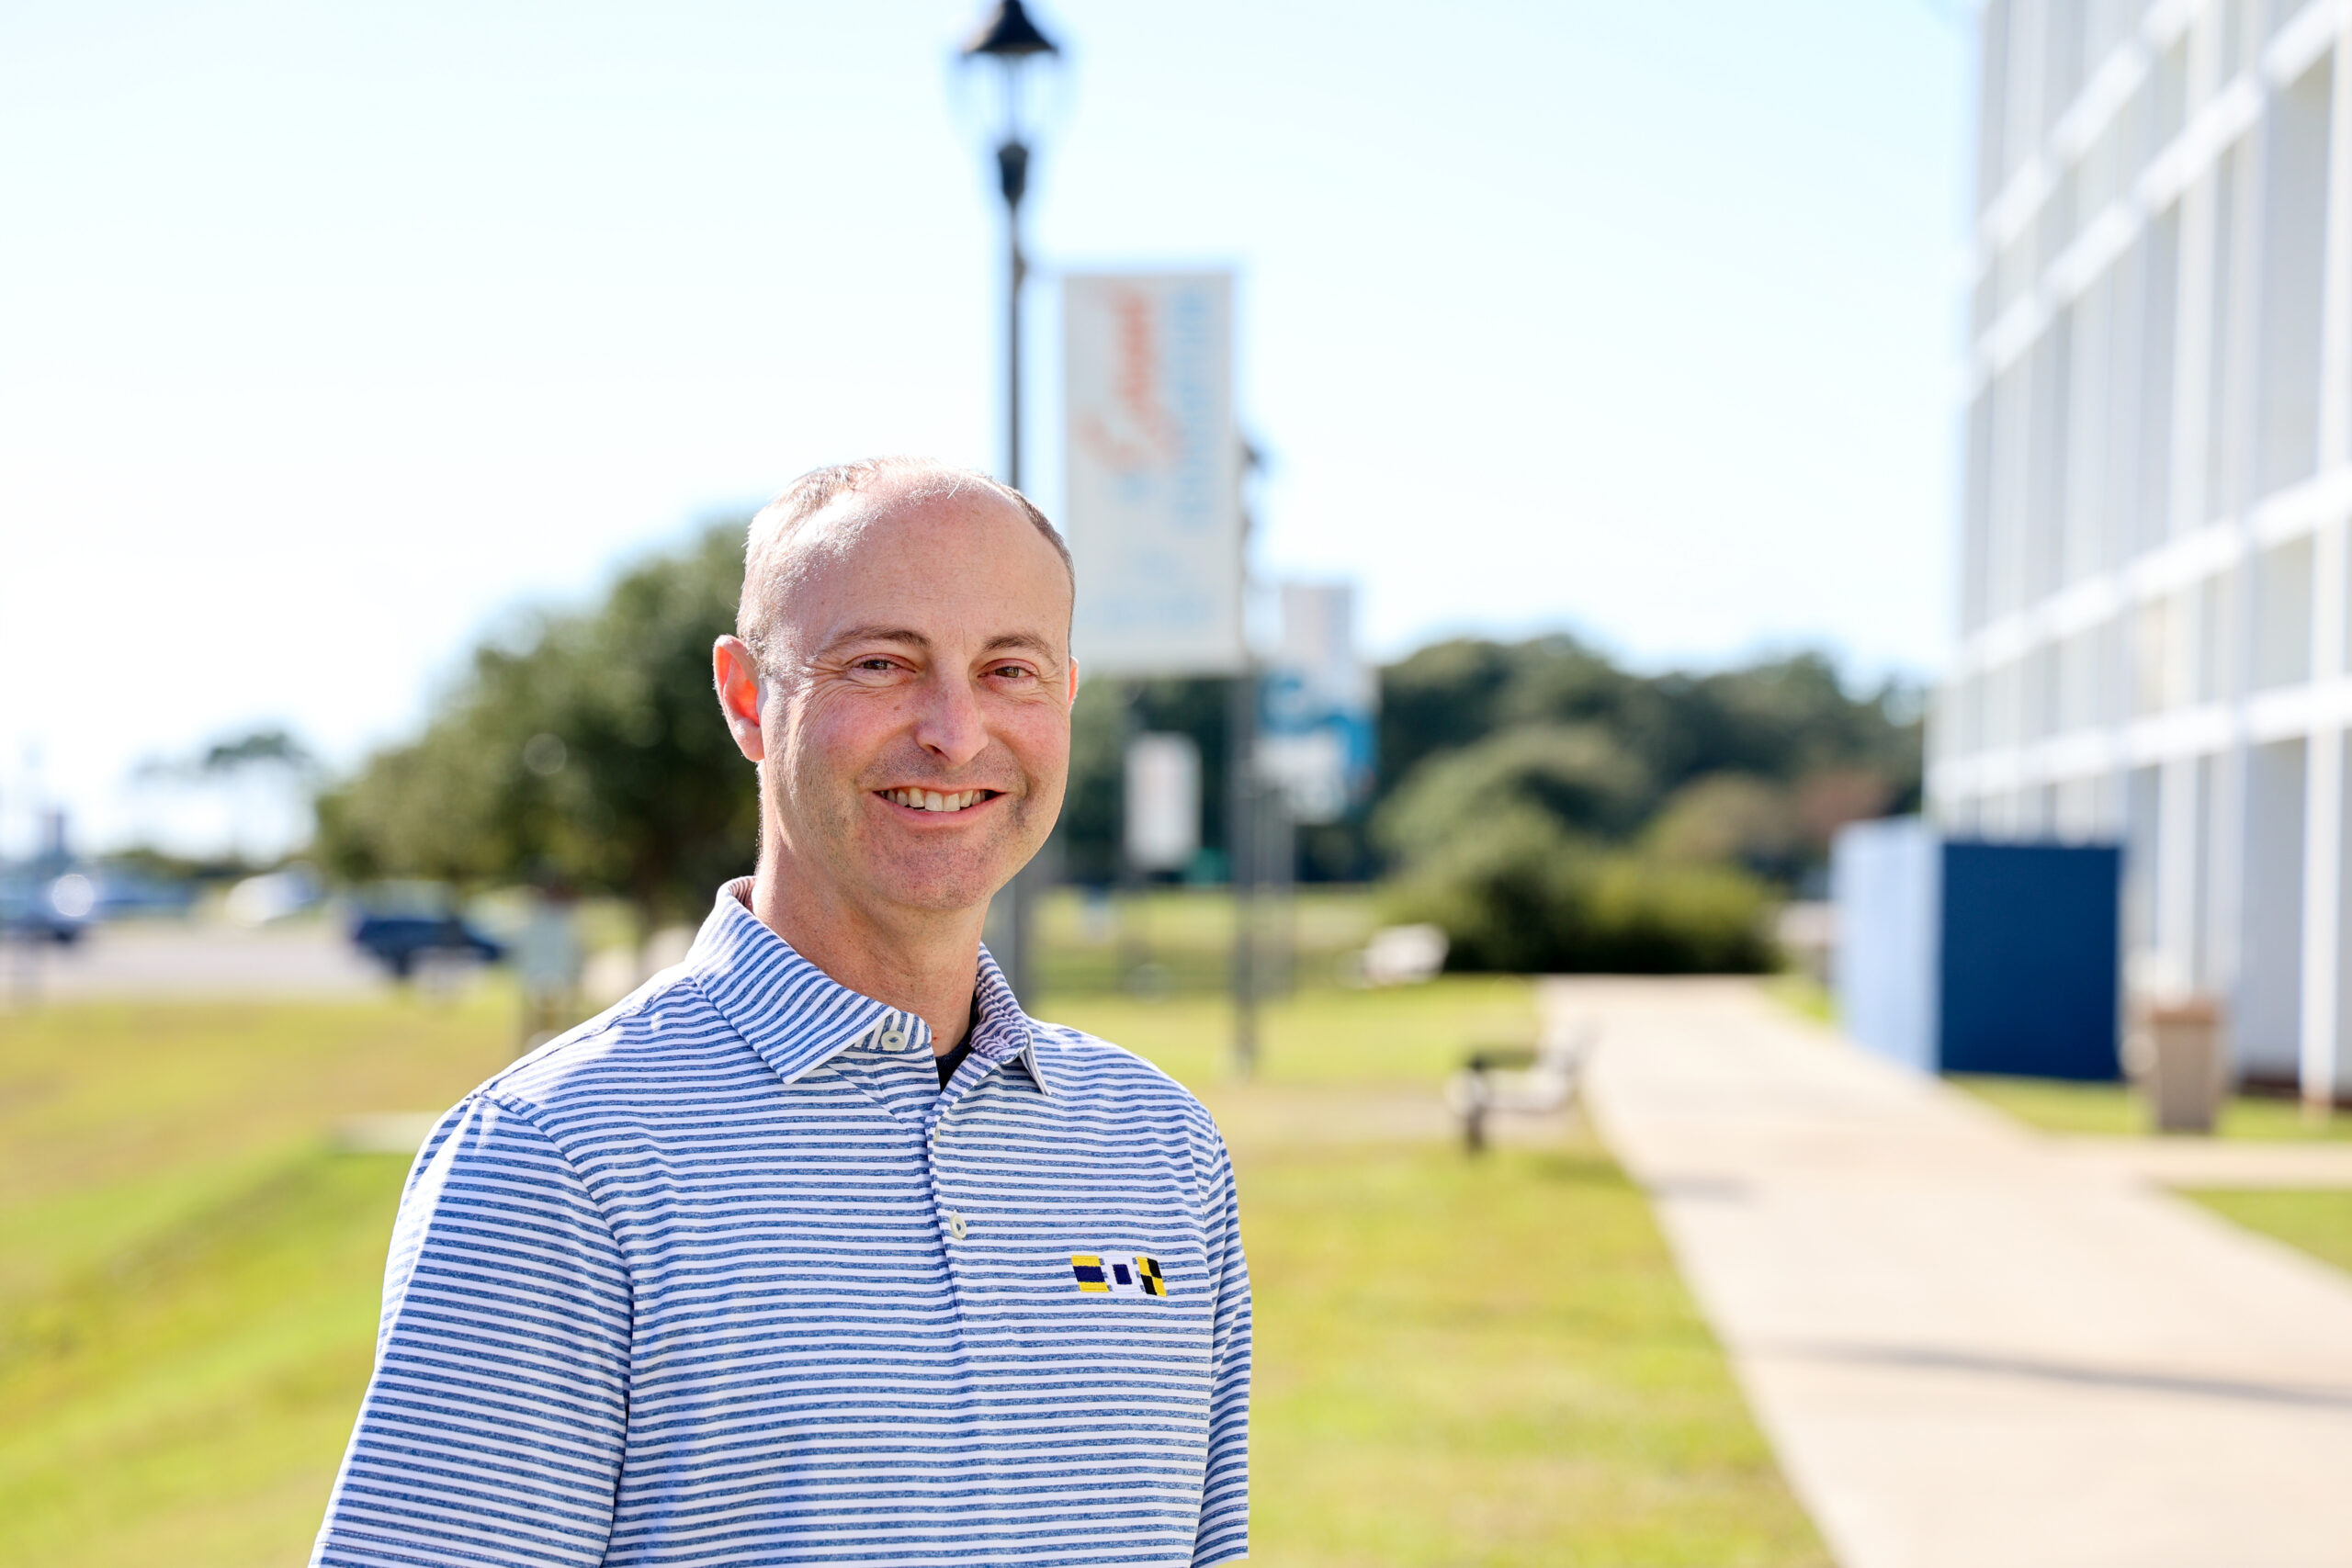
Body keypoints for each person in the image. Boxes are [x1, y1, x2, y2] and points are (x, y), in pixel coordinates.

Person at [310, 458, 1251, 1567]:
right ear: (747, 697)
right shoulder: (553, 1156)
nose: (954, 732)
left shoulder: (1160, 1146)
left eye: (1010, 670)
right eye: (880, 664)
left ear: (1065, 701)